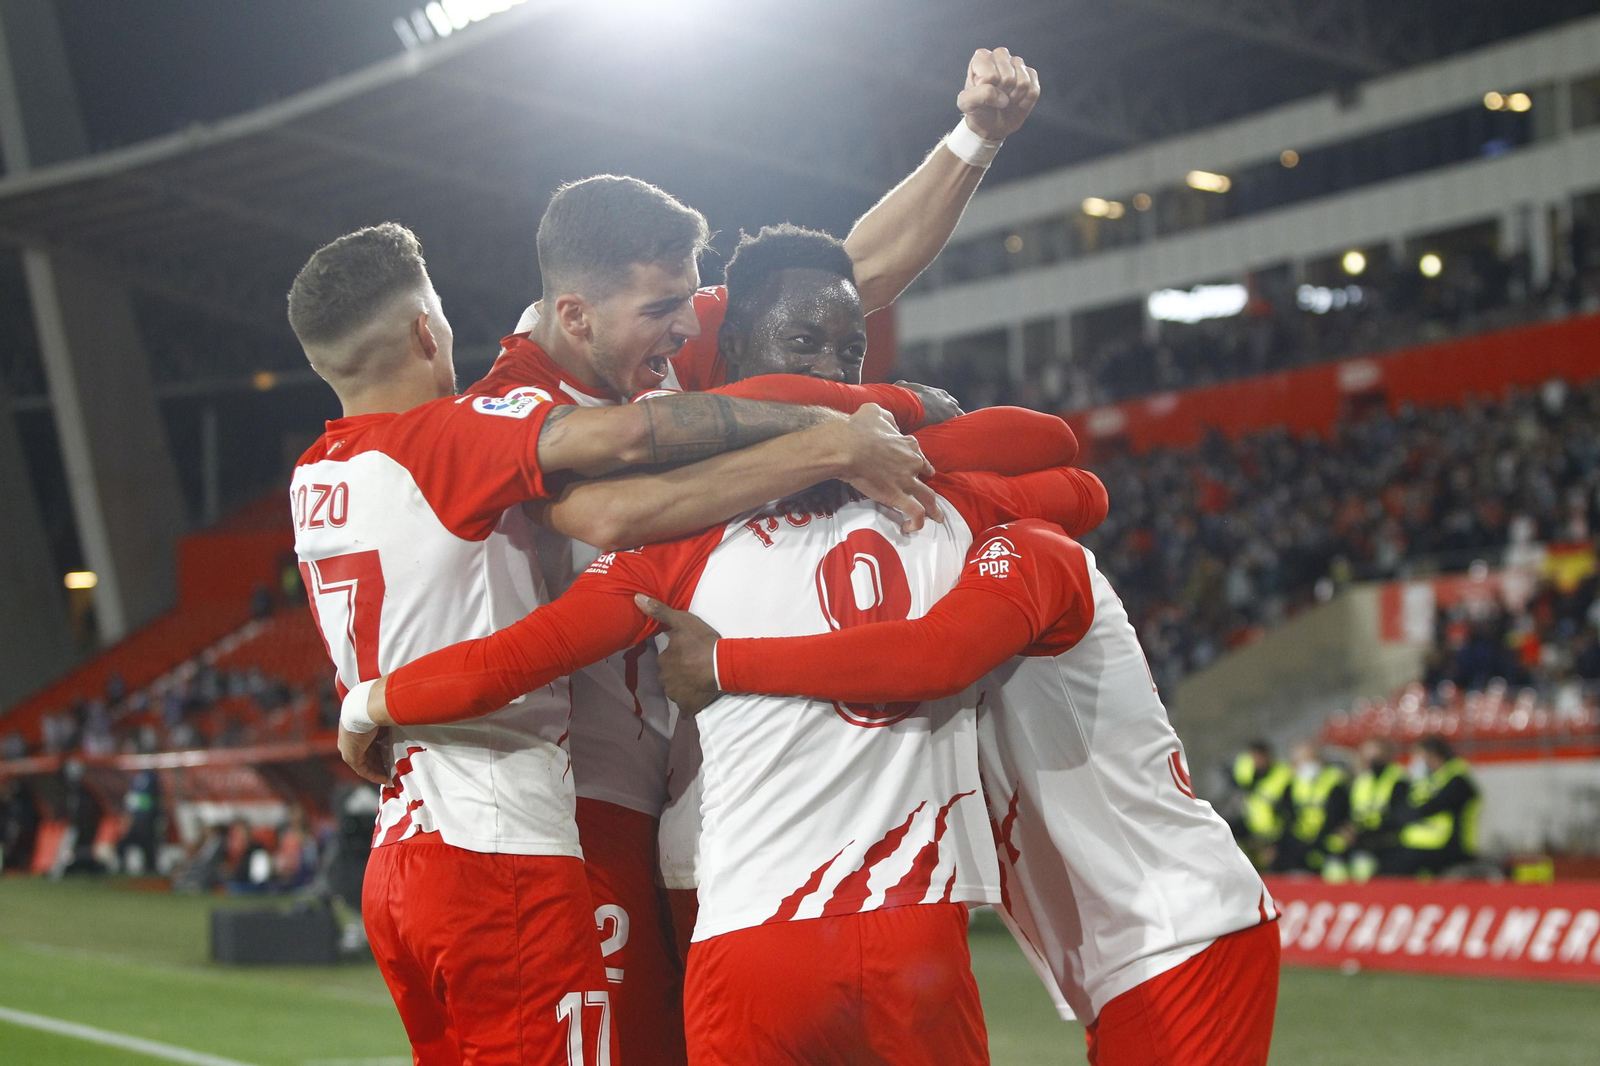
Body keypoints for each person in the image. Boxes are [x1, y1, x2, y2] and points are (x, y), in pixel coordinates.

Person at [466, 46, 1042, 1064]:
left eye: (689, 307)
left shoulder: (655, 342)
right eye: (663, 312)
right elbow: (609, 512)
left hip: (697, 779)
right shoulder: (518, 414)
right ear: (573, 315)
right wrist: (823, 444)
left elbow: (842, 279)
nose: (688, 328)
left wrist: (975, 138)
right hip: (575, 790)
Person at [289, 224, 936, 1066]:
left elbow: (857, 267)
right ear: (427, 331)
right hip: (506, 841)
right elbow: (620, 458)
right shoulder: (454, 434)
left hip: (403, 852)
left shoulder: (314, 476)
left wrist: (364, 703)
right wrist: (830, 435)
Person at [644, 517, 1279, 1066]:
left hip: (1177, 928)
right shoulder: (952, 578)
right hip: (1133, 943)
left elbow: (935, 658)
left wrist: (728, 662)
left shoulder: (1029, 548)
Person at [1386, 736, 1481, 877]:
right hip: (1422, 847)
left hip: (1452, 846)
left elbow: (1430, 807)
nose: (1414, 762)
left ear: (1433, 755)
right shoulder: (1428, 780)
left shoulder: (1458, 780)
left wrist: (1409, 814)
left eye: (1419, 756)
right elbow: (1405, 809)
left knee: (1396, 869)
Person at [1340, 736, 1410, 882]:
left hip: (1388, 844)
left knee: (1363, 867)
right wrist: (1349, 829)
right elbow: (1353, 815)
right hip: (1363, 841)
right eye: (1367, 756)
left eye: (1376, 756)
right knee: (1335, 867)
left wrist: (1361, 836)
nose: (1371, 761)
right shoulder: (1361, 782)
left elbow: (1398, 820)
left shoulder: (1399, 780)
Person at [1283, 740, 1351, 879]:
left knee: (1336, 873)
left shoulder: (1334, 782)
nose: (1309, 764)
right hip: (1302, 844)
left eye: (1312, 759)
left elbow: (1336, 816)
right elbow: (1289, 819)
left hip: (1330, 843)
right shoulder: (1291, 787)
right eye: (1304, 759)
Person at [1231, 739, 1294, 871]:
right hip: (1251, 826)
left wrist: (1275, 844)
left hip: (1274, 833)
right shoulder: (1245, 771)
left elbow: (1287, 813)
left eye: (1260, 757)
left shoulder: (1282, 776)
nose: (1257, 761)